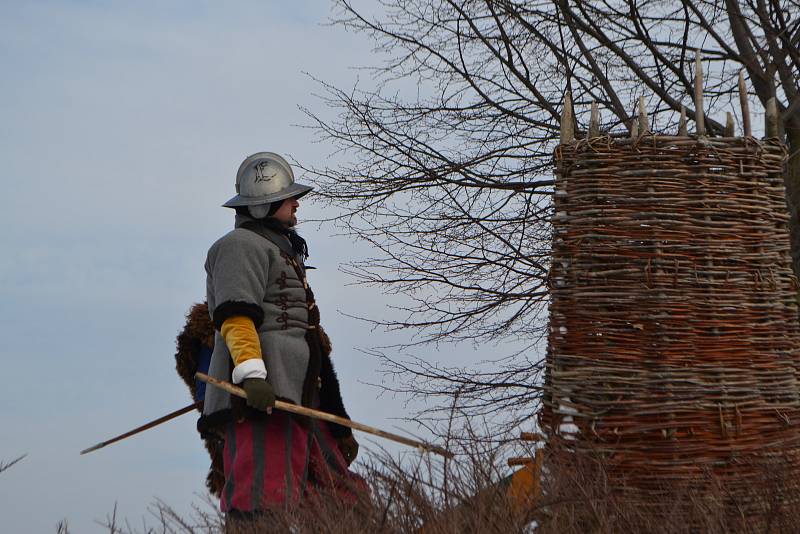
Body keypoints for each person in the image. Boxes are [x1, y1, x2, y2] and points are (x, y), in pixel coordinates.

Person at [196, 152, 363, 522]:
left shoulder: (279, 247)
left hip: (299, 391)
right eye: (289, 197)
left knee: (340, 494)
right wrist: (253, 376)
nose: (296, 203)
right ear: (264, 205)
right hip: (262, 397)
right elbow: (236, 316)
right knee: (261, 496)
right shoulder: (239, 246)